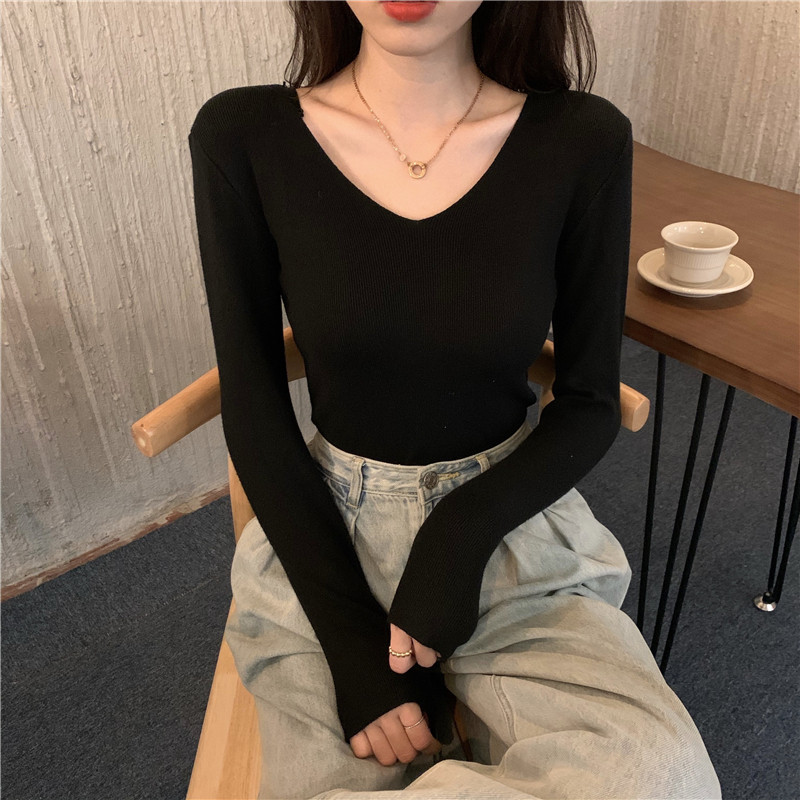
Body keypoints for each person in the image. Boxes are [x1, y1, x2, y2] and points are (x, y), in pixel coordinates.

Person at [187, 2, 723, 797]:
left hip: (510, 533)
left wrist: (458, 536)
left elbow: (589, 402)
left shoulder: (582, 139)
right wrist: (352, 642)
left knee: (661, 779)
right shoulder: (244, 134)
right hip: (321, 543)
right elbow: (256, 411)